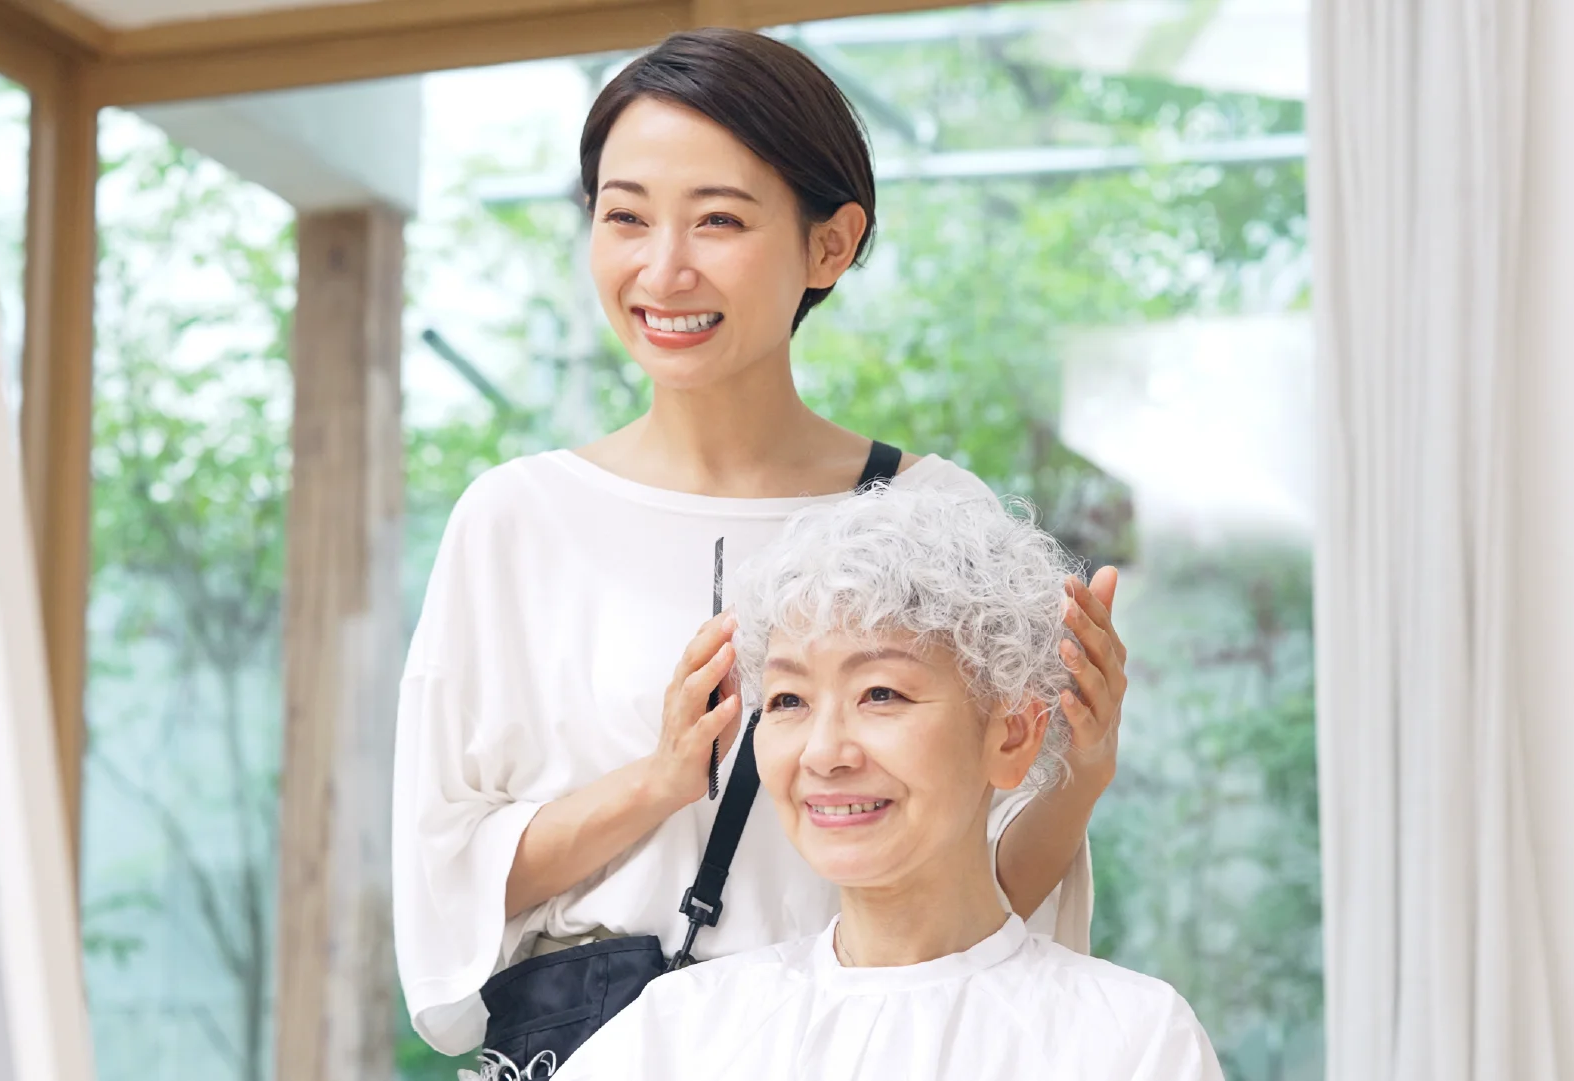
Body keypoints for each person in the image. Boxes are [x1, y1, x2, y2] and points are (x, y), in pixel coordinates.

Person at [393, 26, 1131, 1064]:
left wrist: (1076, 781)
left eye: (718, 220)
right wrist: (658, 779)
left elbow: (980, 914)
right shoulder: (514, 519)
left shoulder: (926, 510)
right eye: (624, 217)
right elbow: (441, 892)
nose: (662, 268)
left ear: (829, 243)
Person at [553, 486, 1221, 1081]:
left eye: (880, 692)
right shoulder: (679, 1031)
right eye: (787, 699)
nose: (823, 751)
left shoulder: (1128, 1040)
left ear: (1011, 733)